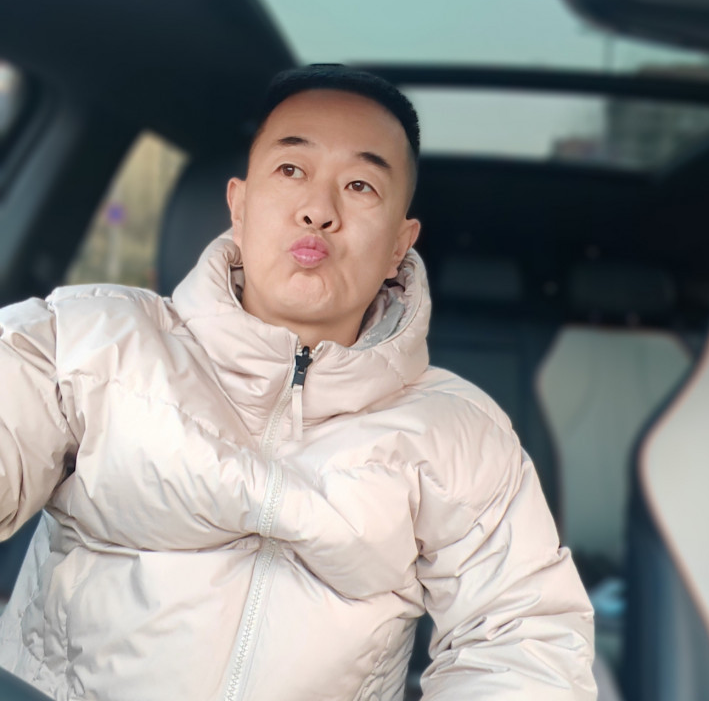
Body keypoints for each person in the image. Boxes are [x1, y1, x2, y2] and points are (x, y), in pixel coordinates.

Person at [0, 65, 597, 700]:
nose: (319, 210)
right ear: (239, 205)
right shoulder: (85, 340)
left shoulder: (462, 434)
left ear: (400, 244)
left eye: (360, 185)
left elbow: (521, 647)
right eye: (291, 170)